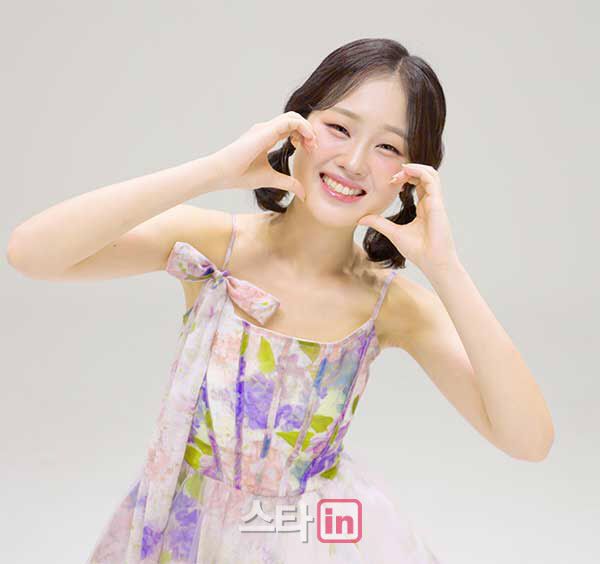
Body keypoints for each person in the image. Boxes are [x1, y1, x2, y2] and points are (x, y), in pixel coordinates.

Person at [7, 37, 554, 563]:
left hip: (305, 538)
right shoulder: (217, 248)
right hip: (183, 531)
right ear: (297, 126)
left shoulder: (392, 304)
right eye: (339, 127)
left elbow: (528, 440)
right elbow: (31, 254)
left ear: (410, 178)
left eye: (388, 147)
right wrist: (213, 172)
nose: (355, 161)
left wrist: (446, 268)